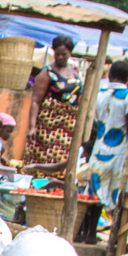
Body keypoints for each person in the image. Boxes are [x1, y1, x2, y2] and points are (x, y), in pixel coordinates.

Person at [79, 60, 128, 211]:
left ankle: (89, 231)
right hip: (119, 152)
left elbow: (94, 121)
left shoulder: (99, 95)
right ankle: (114, 230)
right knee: (115, 194)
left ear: (109, 75)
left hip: (99, 149)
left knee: (96, 191)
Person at [22, 33, 81, 164]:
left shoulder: (75, 70)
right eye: (57, 53)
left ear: (70, 53)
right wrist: (32, 127)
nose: (60, 57)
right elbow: (36, 101)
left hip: (68, 126)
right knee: (47, 158)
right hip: (50, 124)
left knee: (64, 160)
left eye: (64, 54)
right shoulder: (47, 73)